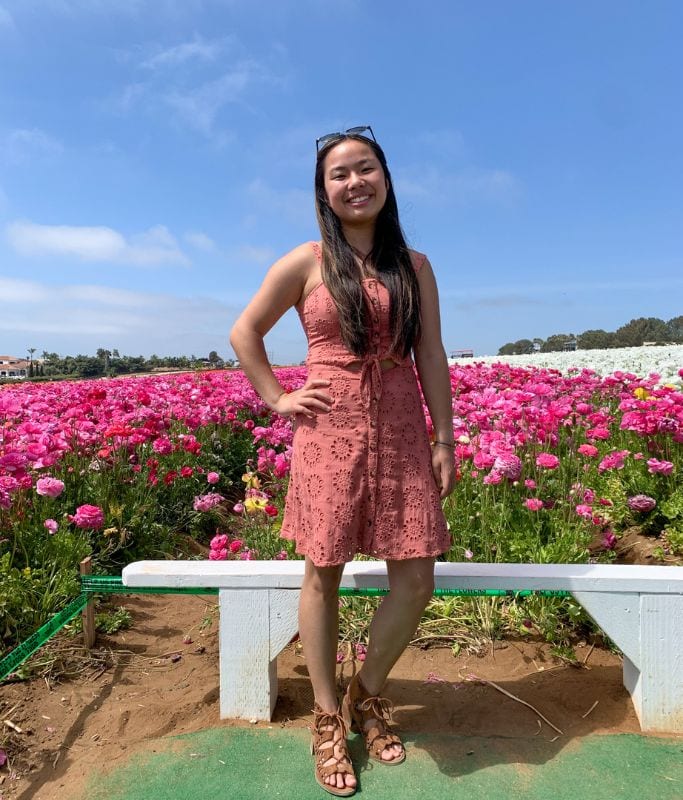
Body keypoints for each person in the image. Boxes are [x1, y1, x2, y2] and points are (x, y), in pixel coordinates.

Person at [230, 126, 455, 796]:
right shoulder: (304, 261)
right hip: (328, 433)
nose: (354, 182)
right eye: (339, 174)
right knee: (321, 573)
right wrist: (277, 397)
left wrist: (445, 437)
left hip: (402, 432)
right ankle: (328, 717)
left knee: (416, 578)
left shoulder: (413, 266)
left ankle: (365, 692)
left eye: (365, 169)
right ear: (323, 191)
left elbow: (431, 354)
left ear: (384, 178)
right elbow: (245, 331)